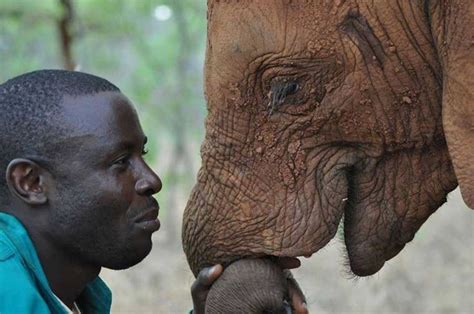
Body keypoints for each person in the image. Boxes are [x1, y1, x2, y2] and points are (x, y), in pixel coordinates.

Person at [0, 70, 306, 314]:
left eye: (142, 155)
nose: (152, 180)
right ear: (31, 183)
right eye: (120, 162)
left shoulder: (66, 291)